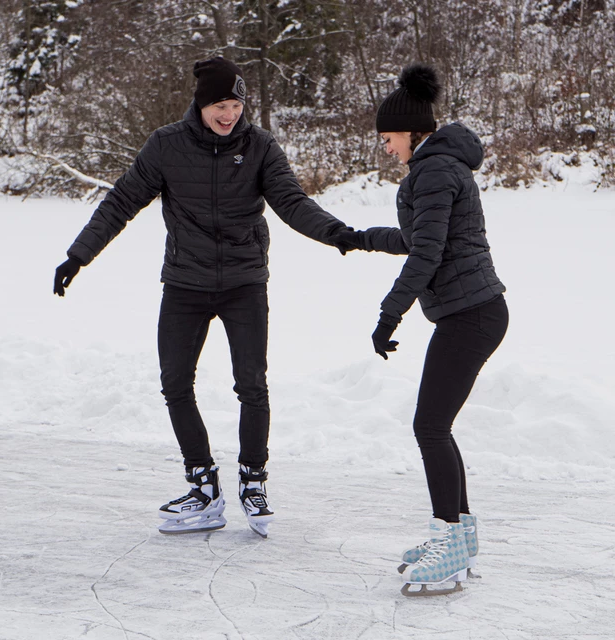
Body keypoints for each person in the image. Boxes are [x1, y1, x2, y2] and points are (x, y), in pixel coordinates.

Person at [53, 57, 350, 538]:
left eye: (235, 104)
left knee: (251, 384)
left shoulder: (260, 147)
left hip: (243, 282)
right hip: (185, 283)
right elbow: (122, 200)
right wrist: (78, 255)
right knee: (174, 383)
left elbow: (292, 202)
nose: (228, 114)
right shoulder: (167, 145)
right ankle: (203, 485)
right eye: (219, 105)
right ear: (200, 104)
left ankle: (253, 479)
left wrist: (338, 233)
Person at [335, 63, 508, 595]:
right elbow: (420, 238)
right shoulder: (439, 167)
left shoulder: (433, 171)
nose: (386, 148)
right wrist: (362, 238)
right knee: (437, 426)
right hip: (474, 311)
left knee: (429, 427)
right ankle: (462, 533)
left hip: (470, 313)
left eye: (388, 138)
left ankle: (449, 537)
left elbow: (427, 253)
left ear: (412, 132)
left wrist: (390, 313)